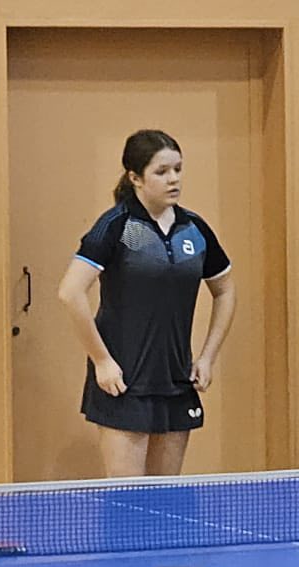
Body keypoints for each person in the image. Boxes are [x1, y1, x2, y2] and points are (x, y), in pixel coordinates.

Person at [58, 129, 236, 478]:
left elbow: (225, 290)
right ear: (135, 177)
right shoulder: (116, 226)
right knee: (128, 500)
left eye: (178, 169)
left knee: (165, 499)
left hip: (176, 381)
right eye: (162, 171)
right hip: (124, 382)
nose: (174, 179)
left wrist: (207, 357)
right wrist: (102, 361)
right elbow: (70, 292)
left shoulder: (194, 229)